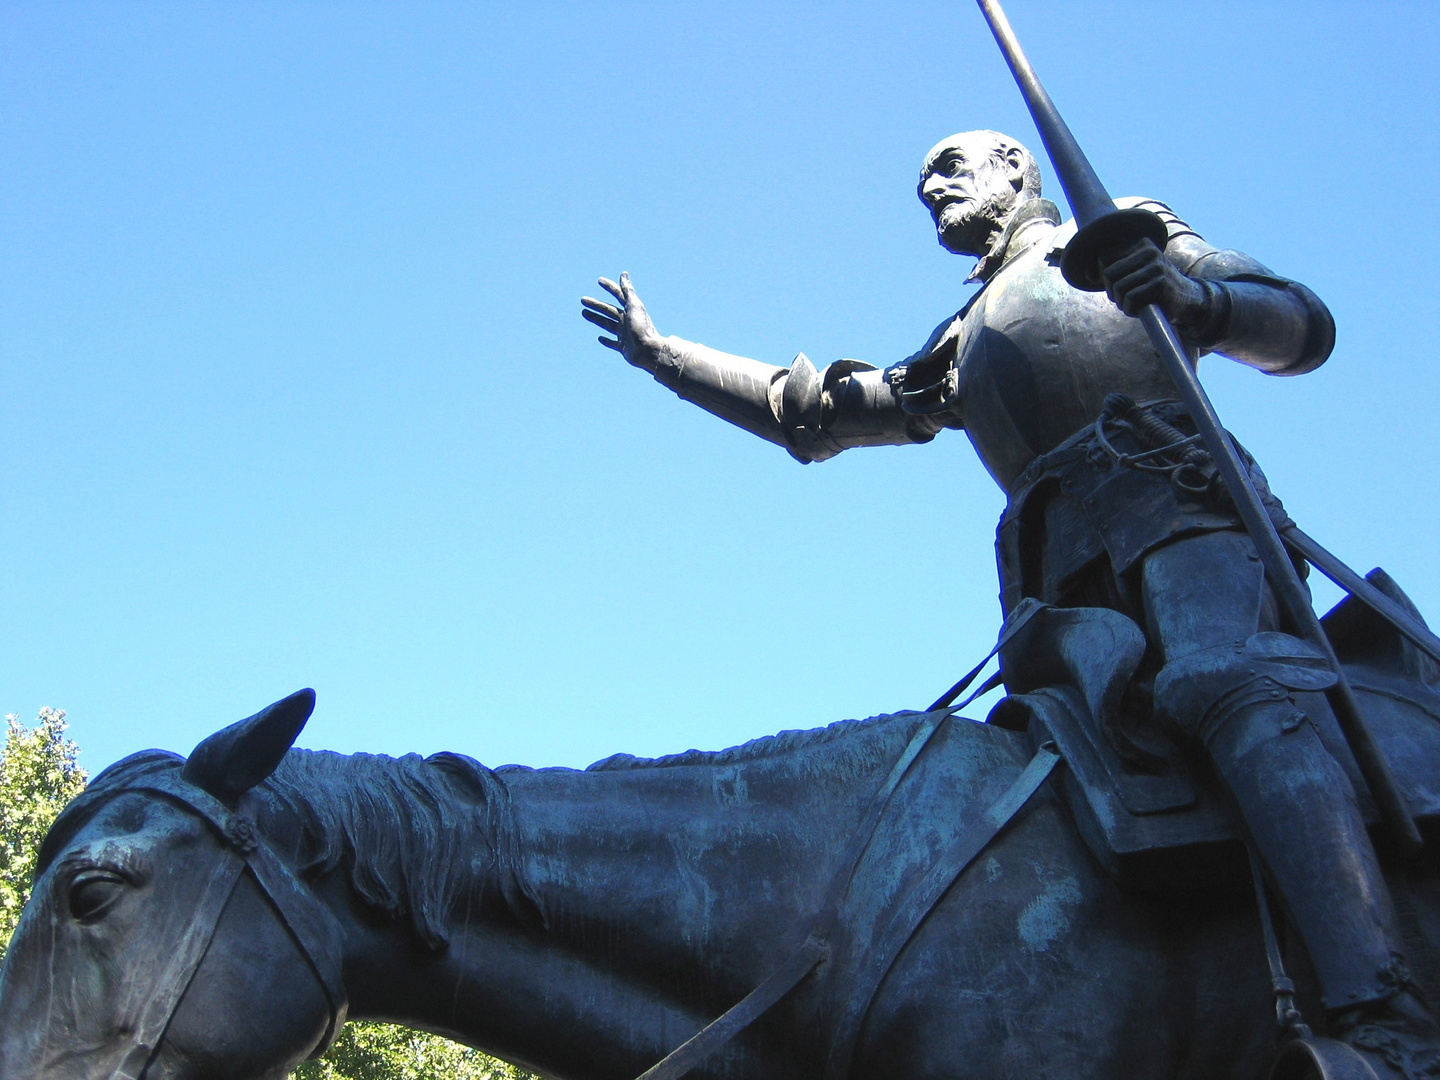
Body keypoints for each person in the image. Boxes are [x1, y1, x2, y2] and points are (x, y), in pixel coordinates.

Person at [580, 130, 1438, 1077]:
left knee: (1222, 680)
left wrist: (1194, 298)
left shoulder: (1124, 233)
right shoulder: (962, 341)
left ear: (1017, 169)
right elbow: (814, 413)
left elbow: (1300, 326)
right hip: (1055, 583)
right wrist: (665, 358)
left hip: (1182, 511)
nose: (932, 188)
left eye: (952, 167)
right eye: (921, 182)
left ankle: (1385, 1015)